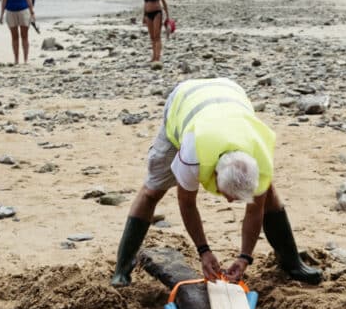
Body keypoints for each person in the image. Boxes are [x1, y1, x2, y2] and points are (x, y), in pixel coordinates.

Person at [110, 77, 322, 288]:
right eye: (228, 195)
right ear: (214, 176)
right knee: (152, 191)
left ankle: (292, 263)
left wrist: (245, 257)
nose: (230, 202)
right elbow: (187, 203)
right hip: (184, 102)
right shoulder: (192, 152)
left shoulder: (260, 158)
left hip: (229, 92)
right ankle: (122, 269)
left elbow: (255, 210)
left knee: (269, 195)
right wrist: (204, 250)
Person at [0, 0, 35, 64]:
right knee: (14, 37)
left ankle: (26, 59)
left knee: (24, 36)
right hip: (10, 12)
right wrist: (1, 14)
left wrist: (32, 12)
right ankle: (16, 59)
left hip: (23, 11)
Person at [141, 0, 169, 67]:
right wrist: (143, 15)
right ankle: (153, 56)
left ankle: (158, 57)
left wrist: (168, 17)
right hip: (148, 14)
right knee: (152, 36)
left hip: (157, 12)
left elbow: (164, 1)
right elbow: (145, 2)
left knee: (157, 36)